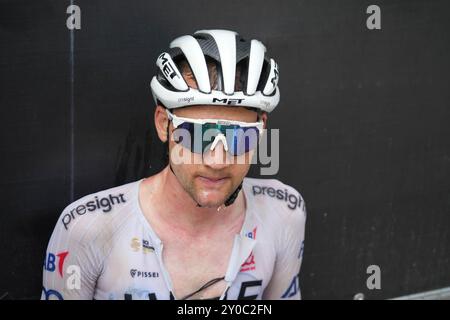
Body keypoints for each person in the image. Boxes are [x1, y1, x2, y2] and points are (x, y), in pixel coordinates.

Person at [41, 29, 307, 300]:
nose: (217, 161)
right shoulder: (87, 228)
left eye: (239, 137)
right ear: (163, 124)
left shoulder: (284, 212)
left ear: (261, 129)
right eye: (195, 134)